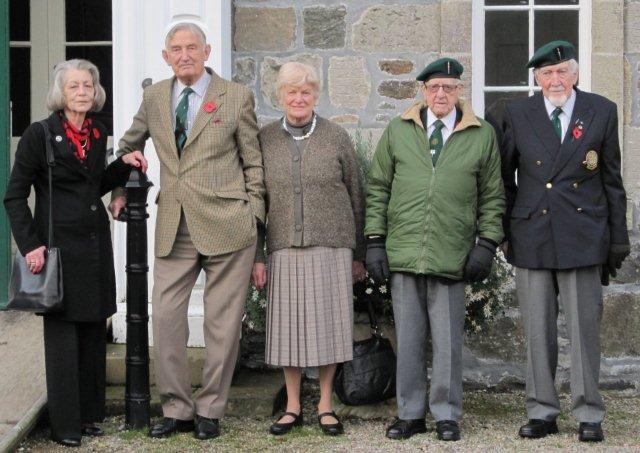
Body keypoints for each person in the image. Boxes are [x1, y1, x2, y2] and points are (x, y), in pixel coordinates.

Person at [110, 22, 265, 440]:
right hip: (174, 223)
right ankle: (176, 409)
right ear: (166, 56)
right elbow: (128, 147)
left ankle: (211, 408)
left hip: (228, 224)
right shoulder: (155, 96)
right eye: (176, 49)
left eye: (191, 48)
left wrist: (254, 216)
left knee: (222, 323)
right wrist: (123, 187)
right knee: (166, 318)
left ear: (206, 51)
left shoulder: (236, 97)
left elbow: (254, 163)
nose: (184, 55)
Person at [3, 59, 146, 447]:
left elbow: (93, 184)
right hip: (57, 250)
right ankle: (65, 426)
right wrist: (30, 244)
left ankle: (88, 417)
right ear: (61, 93)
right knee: (64, 339)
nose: (82, 92)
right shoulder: (40, 134)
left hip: (94, 245)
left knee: (92, 333)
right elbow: (15, 195)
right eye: (74, 87)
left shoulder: (97, 132)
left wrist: (122, 166)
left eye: (87, 85)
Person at [365, 57, 505, 442]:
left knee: (446, 342)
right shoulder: (399, 130)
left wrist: (487, 245)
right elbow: (378, 188)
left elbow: (493, 197)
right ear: (423, 92)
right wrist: (375, 241)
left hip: (452, 254)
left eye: (449, 87)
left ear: (460, 90)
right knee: (408, 339)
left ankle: (446, 414)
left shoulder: (481, 135)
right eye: (433, 87)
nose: (441, 94)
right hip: (405, 253)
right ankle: (410, 414)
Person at [501, 40, 629, 443]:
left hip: (583, 233)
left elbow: (612, 180)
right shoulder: (516, 114)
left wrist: (617, 240)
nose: (554, 80)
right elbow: (505, 180)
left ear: (575, 74)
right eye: (546, 73)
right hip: (533, 232)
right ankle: (541, 410)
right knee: (537, 330)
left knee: (584, 329)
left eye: (562, 72)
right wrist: (506, 232)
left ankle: (589, 411)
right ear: (536, 78)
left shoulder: (601, 110)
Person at [251, 61, 366, 436]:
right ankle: (293, 406)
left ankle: (326, 404)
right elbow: (256, 200)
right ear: (280, 96)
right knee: (288, 330)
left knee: (329, 328)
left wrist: (359, 252)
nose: (298, 98)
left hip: (331, 246)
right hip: (283, 245)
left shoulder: (336, 138)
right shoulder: (265, 139)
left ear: (316, 95)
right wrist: (258, 255)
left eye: (306, 92)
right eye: (291, 92)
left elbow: (357, 195)